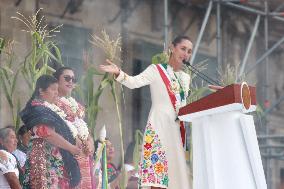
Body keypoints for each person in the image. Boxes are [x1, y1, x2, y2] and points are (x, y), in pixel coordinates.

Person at [100, 36, 193, 189]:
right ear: (172, 47)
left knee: (176, 181)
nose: (186, 54)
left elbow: (182, 106)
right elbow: (133, 82)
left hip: (177, 131)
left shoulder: (185, 78)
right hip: (159, 128)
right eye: (183, 49)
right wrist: (118, 73)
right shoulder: (156, 70)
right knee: (157, 178)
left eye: (189, 51)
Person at [20, 75, 81, 188]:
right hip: (44, 158)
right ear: (41, 91)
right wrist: (70, 148)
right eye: (53, 89)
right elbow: (47, 133)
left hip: (52, 158)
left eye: (57, 90)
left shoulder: (45, 109)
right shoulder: (37, 110)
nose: (56, 93)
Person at [53, 67, 95, 189]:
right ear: (56, 81)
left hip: (84, 155)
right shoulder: (51, 103)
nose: (71, 81)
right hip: (64, 155)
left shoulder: (77, 106)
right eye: (66, 78)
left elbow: (86, 130)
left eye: (73, 79)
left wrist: (90, 142)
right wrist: (72, 139)